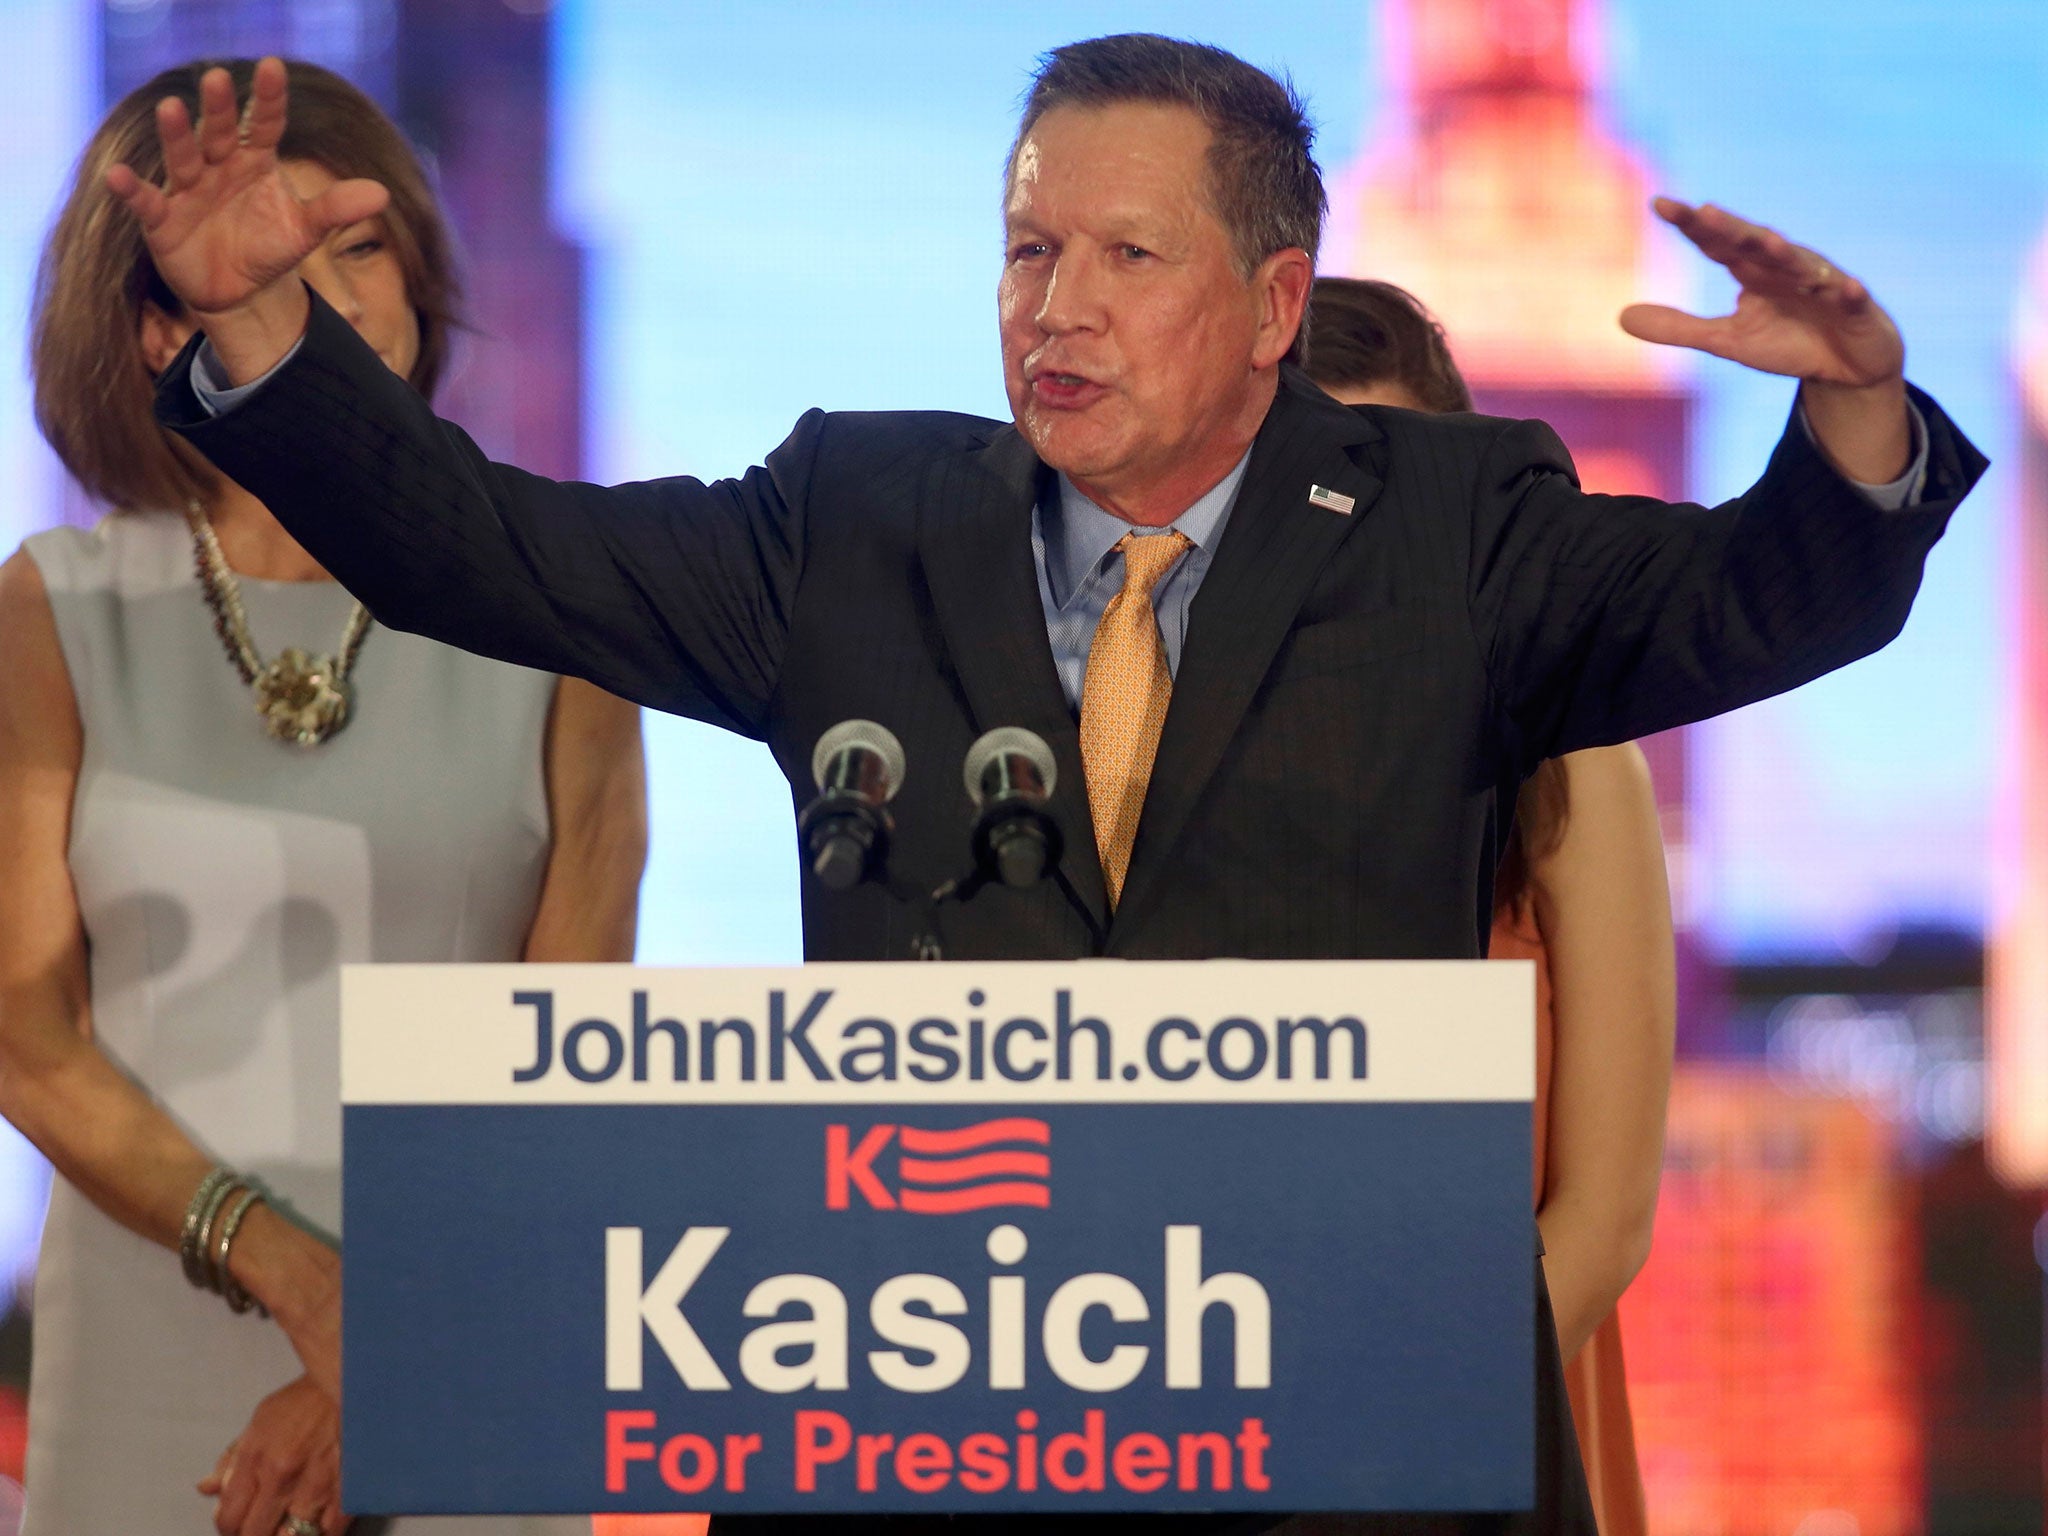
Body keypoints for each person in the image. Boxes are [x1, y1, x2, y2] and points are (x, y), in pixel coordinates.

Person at [122, 32, 1984, 1536]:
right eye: (1028, 253)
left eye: (1123, 256)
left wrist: (1848, 424)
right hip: (931, 1427)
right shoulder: (848, 520)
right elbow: (485, 551)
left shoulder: (1455, 527)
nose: (1055, 308)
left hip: (1336, 1446)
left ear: (1271, 305)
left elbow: (1760, 600)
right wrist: (267, 348)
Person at [0, 59, 648, 1536]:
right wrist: (309, 1287)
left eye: (362, 248)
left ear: (422, 295)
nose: (331, 292)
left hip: (469, 1330)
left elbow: (570, 1048)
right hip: (152, 1346)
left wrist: (384, 1357)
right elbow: (24, 1035)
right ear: (160, 324)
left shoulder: (559, 605)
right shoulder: (53, 608)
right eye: (274, 255)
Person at [1305, 276, 1668, 1536]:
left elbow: (1605, 1213)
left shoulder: (1569, 768)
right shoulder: (1129, 764)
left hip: (1483, 1435)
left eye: (1385, 482)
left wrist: (1383, 1437)